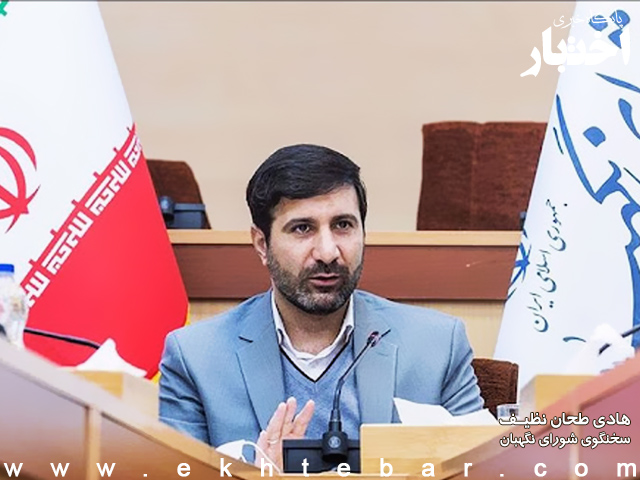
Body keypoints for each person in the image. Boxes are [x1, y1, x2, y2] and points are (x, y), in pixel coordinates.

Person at [159, 144, 483, 467]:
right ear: (262, 244)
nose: (328, 252)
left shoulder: (437, 346)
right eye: (302, 228)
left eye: (343, 225)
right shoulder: (195, 358)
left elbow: (481, 470)